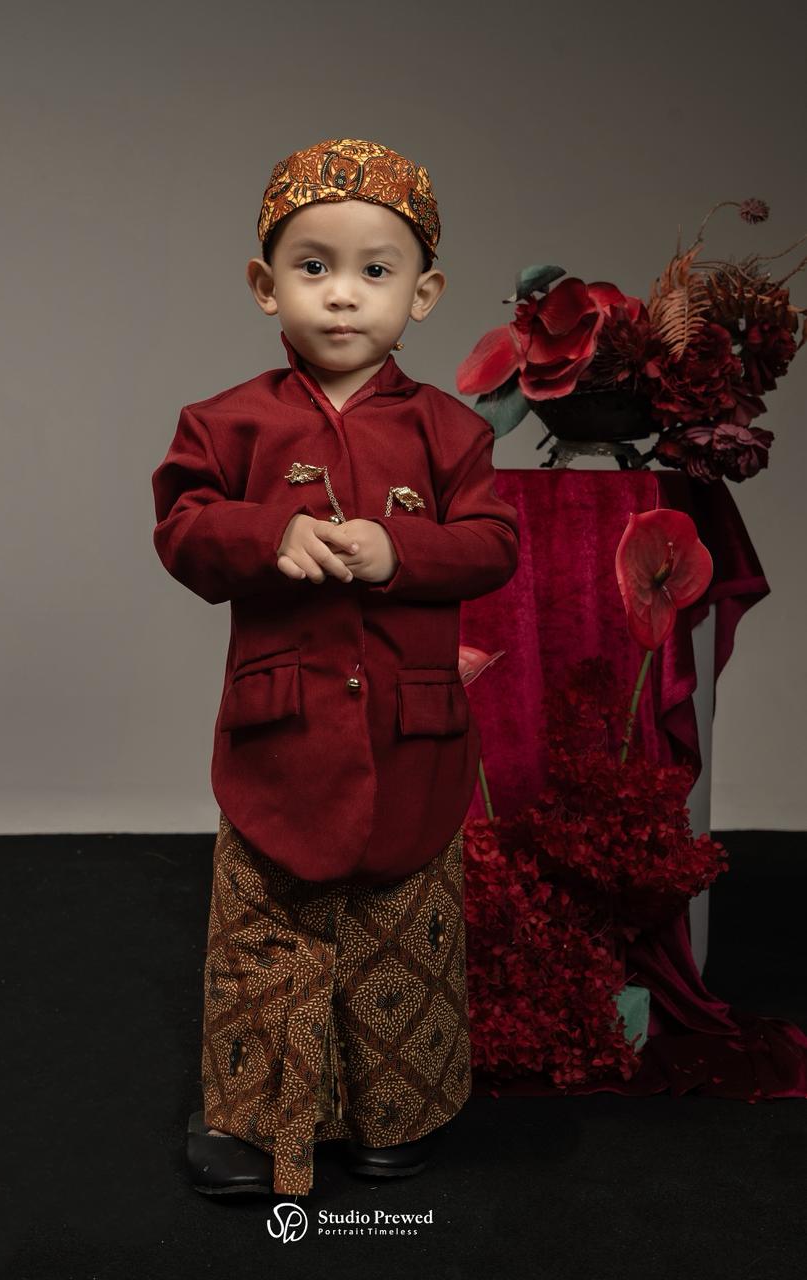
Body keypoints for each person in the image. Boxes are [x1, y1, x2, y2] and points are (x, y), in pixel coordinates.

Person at [151, 137, 520, 1198]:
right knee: (263, 932)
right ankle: (250, 1118)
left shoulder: (451, 431)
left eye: (375, 270)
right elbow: (182, 530)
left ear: (423, 294)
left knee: (401, 934)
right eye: (312, 266)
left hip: (413, 736)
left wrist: (400, 552)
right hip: (280, 737)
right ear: (265, 285)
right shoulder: (223, 422)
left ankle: (395, 1111)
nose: (344, 294)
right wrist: (269, 533)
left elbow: (494, 543)